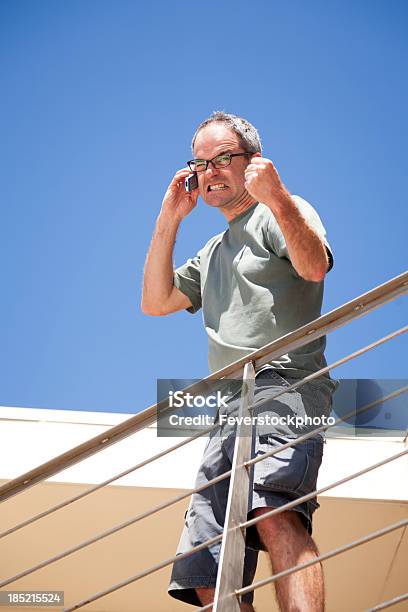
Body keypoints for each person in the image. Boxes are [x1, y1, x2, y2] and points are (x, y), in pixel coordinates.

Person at [141, 112, 337, 611]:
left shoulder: (280, 212)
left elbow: (314, 266)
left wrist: (276, 197)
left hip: (285, 384)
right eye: (201, 163)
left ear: (252, 162)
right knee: (204, 564)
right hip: (228, 407)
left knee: (274, 511)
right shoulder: (211, 253)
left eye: (223, 158)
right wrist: (169, 218)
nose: (210, 171)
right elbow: (155, 301)